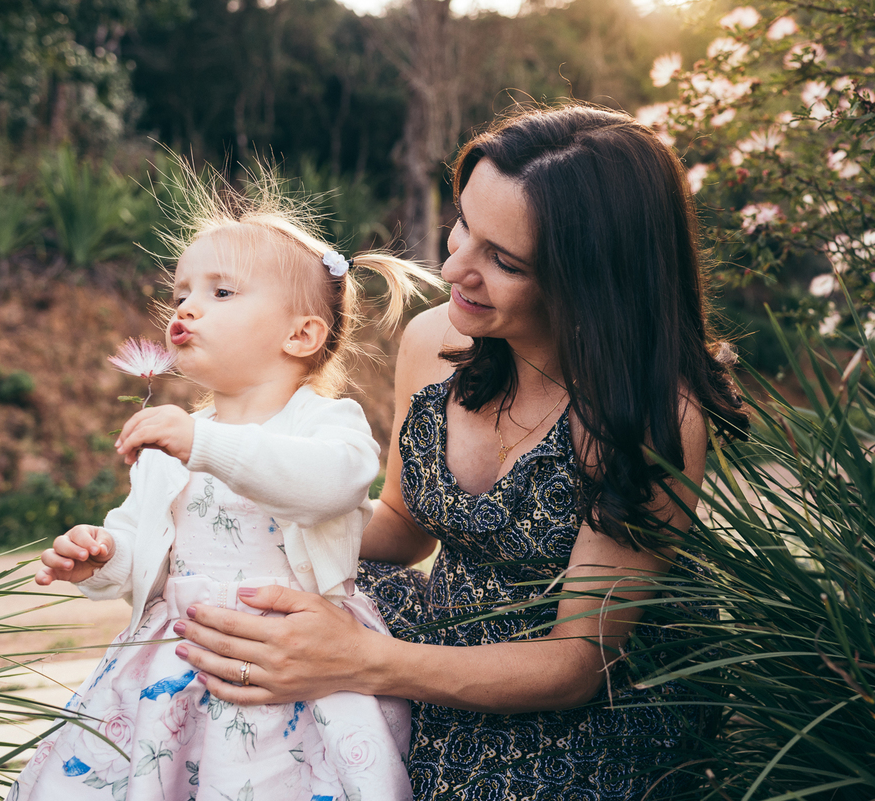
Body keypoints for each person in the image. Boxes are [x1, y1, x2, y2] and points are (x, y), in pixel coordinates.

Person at [172, 104, 751, 799]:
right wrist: (237, 512)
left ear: (590, 282)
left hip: (576, 709)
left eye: (502, 260)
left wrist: (361, 660)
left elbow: (576, 663)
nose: (452, 266)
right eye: (463, 226)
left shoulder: (654, 415)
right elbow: (401, 527)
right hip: (427, 640)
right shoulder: (433, 342)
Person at [9, 173, 438, 801]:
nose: (186, 308)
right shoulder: (176, 440)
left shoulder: (323, 421)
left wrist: (202, 446)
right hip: (178, 664)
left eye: (222, 291)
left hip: (294, 665)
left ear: (301, 334)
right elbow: (146, 551)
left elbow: (333, 485)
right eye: (181, 292)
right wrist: (103, 557)